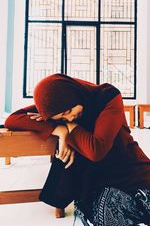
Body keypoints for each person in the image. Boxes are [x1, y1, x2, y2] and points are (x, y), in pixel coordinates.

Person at [5, 73, 150, 225]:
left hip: (127, 165)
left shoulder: (108, 96)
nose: (69, 118)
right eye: (62, 118)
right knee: (108, 212)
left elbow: (96, 149)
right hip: (95, 179)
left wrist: (71, 128)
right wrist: (60, 130)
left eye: (68, 112)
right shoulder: (56, 105)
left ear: (73, 96)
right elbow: (12, 119)